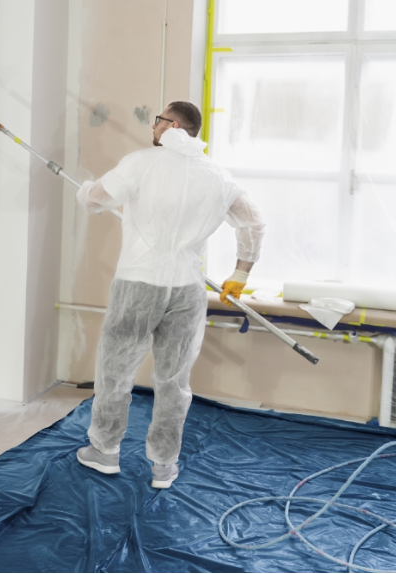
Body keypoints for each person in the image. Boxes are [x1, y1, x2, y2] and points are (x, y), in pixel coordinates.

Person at [75, 101, 266, 489]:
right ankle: (164, 464)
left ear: (173, 124)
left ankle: (105, 451)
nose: (154, 125)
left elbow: (96, 200)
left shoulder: (142, 163)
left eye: (158, 119)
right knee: (174, 379)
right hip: (186, 289)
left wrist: (83, 190)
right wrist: (240, 274)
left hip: (138, 283)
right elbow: (253, 222)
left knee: (116, 370)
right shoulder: (218, 176)